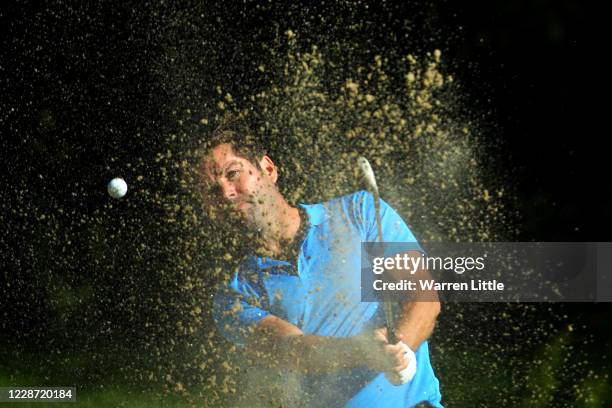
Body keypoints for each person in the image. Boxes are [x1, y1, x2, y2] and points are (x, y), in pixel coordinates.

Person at [198, 120, 443, 407]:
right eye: (213, 191)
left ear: (268, 168)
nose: (226, 194)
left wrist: (401, 350)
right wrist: (365, 352)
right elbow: (295, 352)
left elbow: (423, 297)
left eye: (233, 173)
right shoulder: (234, 295)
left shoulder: (361, 211)